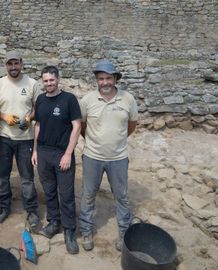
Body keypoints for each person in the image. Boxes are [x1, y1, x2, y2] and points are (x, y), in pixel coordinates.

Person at [78, 60, 138, 252]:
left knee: (122, 196)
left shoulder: (128, 99)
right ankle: (86, 230)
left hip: (118, 158)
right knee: (88, 195)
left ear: (115, 79)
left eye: (108, 78)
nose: (104, 82)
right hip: (92, 156)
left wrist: (115, 141)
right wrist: (96, 142)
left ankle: (124, 231)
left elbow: (131, 126)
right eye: (100, 79)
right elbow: (82, 126)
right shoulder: (87, 100)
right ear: (97, 80)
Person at [31, 66, 81, 254]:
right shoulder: (41, 100)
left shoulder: (69, 100)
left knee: (66, 194)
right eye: (45, 81)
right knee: (49, 191)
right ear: (42, 82)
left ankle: (69, 230)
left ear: (58, 79)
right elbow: (38, 125)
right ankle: (53, 222)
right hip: (43, 152)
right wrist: (35, 150)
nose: (49, 83)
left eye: (52, 80)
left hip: (62, 153)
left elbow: (76, 127)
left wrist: (68, 153)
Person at [0, 51, 41, 227]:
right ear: (5, 65)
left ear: (21, 63)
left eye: (16, 63)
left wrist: (29, 118)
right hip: (3, 137)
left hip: (25, 138)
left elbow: (38, 108)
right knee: (3, 176)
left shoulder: (32, 84)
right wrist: (4, 117)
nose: (13, 67)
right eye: (10, 64)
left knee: (27, 177)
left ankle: (32, 210)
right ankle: (4, 207)